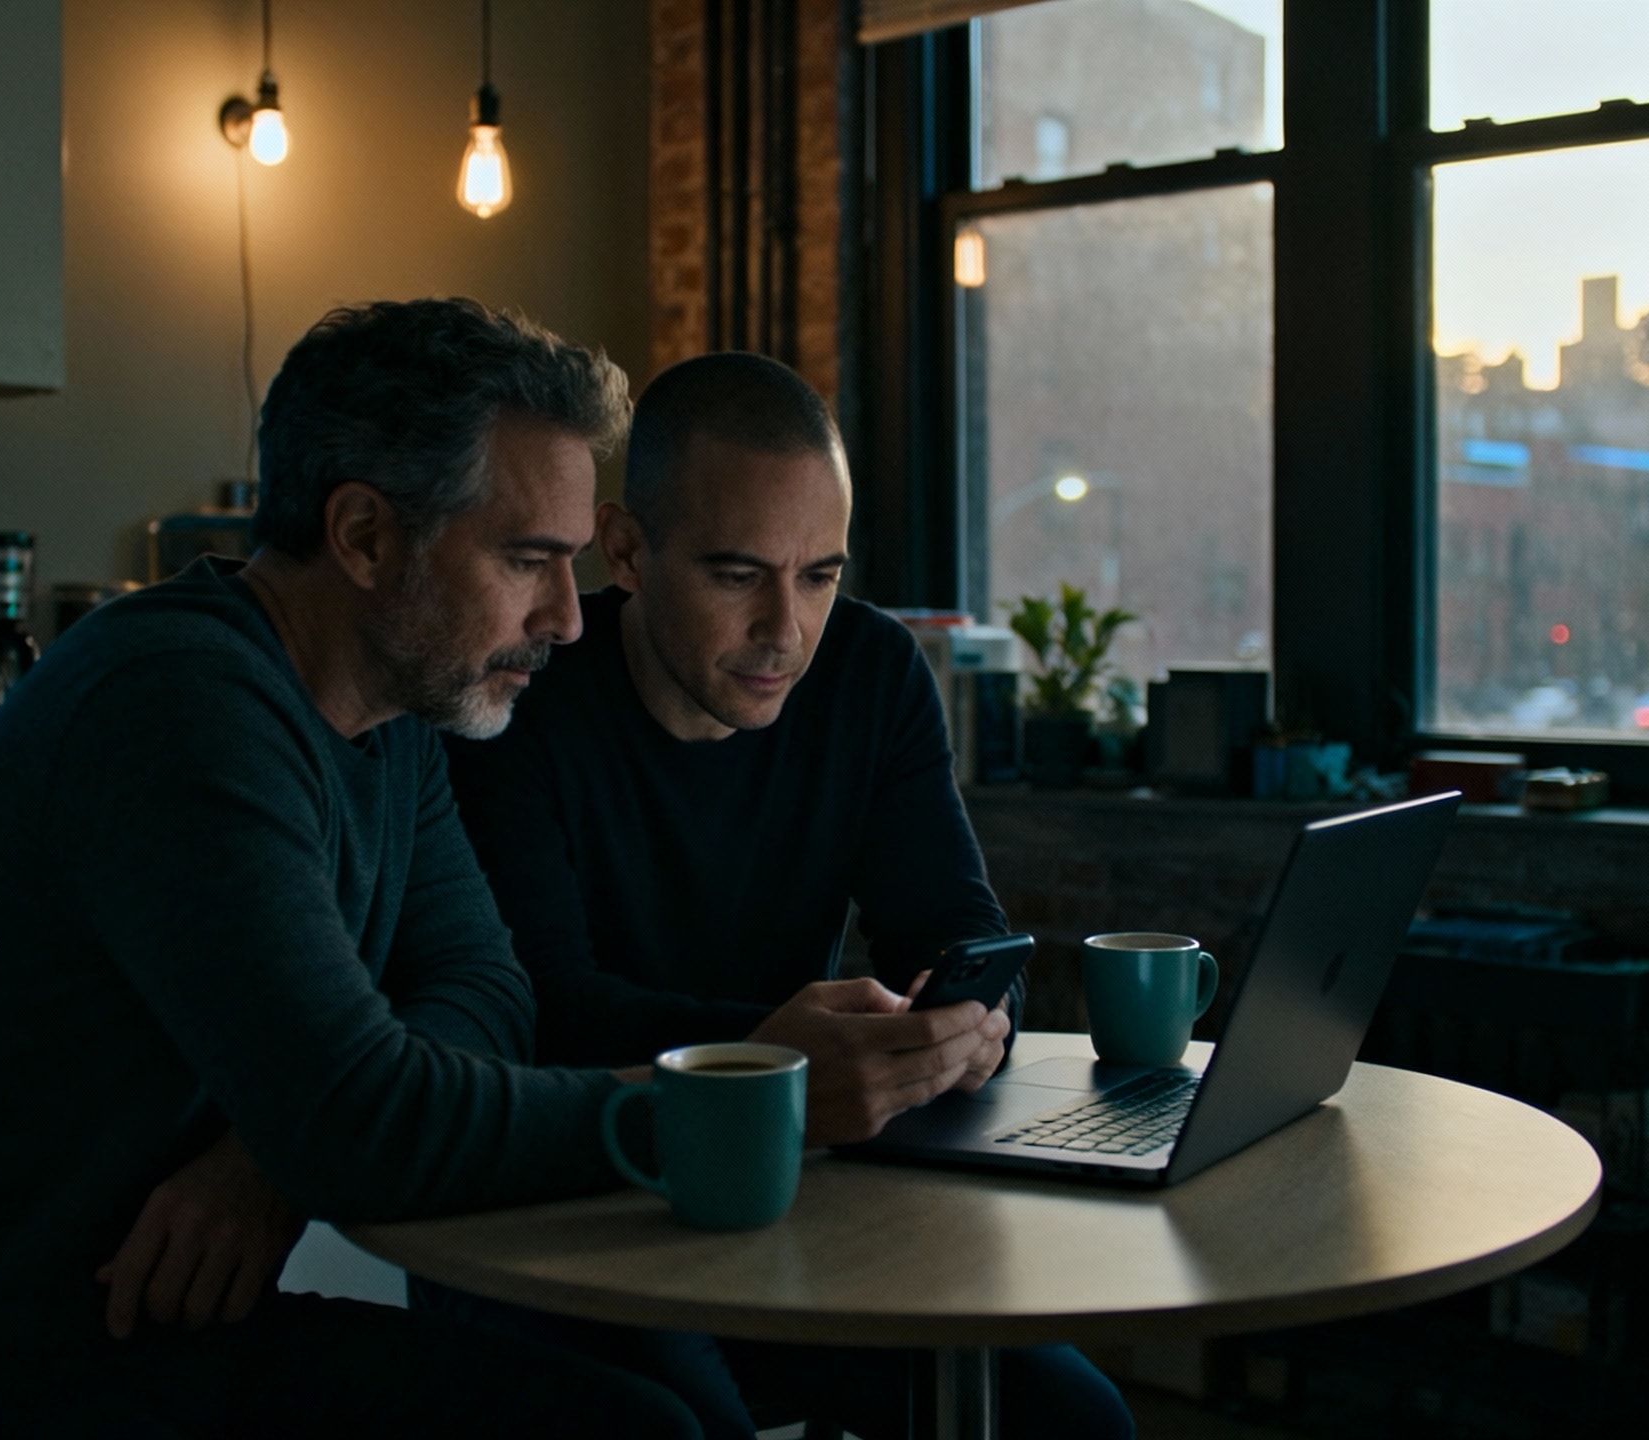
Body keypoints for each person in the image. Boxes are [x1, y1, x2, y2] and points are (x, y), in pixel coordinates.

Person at [0, 299, 705, 1440]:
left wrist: (270, 1154)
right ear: (361, 536)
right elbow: (362, 1122)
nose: (566, 618)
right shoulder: (176, 705)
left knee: (658, 1402)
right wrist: (720, 1113)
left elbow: (483, 990)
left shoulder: (395, 716)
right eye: (526, 560)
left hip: (128, 1334)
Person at [433, 351, 1136, 1440]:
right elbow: (540, 1010)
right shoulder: (517, 696)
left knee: (1072, 1424)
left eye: (819, 575)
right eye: (734, 574)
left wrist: (959, 1019)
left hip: (802, 1192)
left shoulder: (870, 671)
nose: (786, 631)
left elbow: (952, 931)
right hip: (569, 1195)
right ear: (623, 549)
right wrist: (792, 1063)